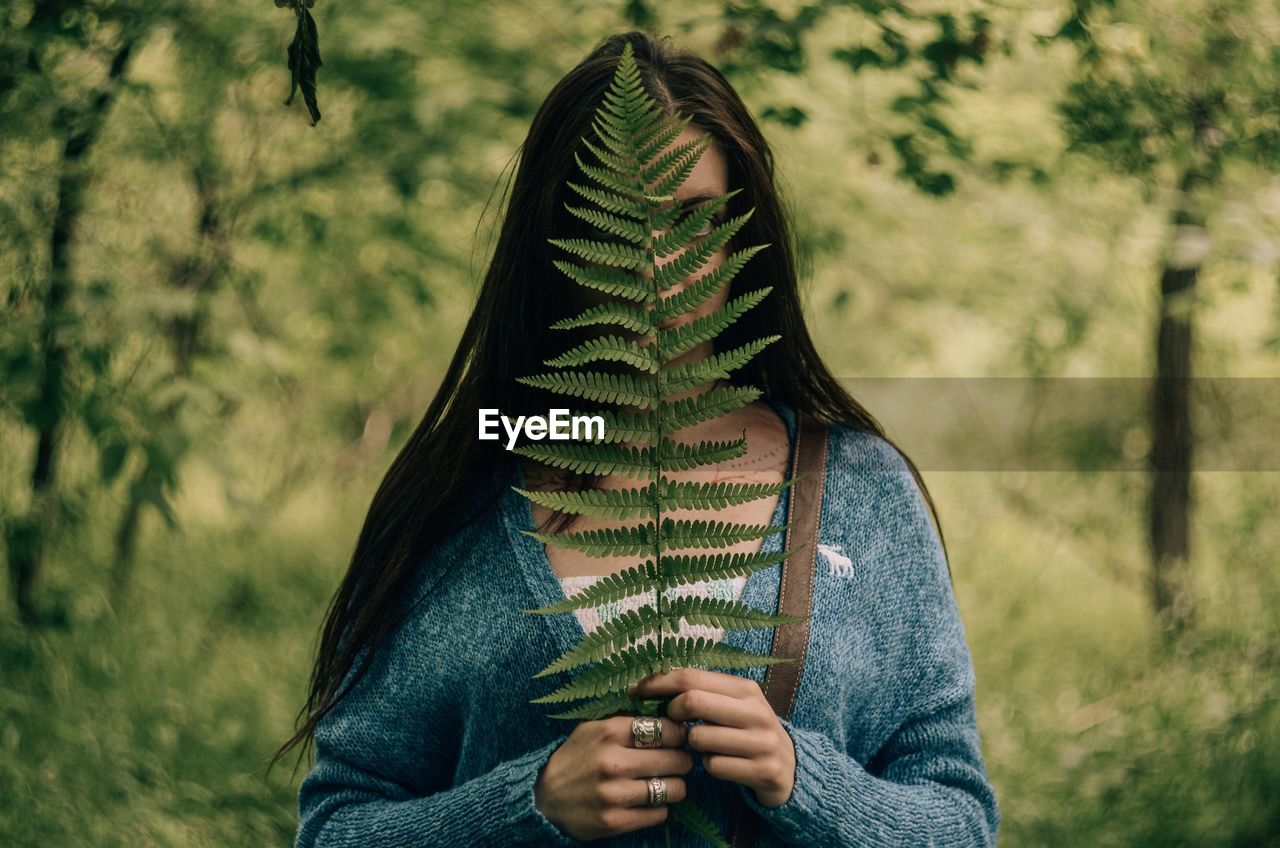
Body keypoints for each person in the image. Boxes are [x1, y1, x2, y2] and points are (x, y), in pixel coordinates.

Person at [275, 30, 1000, 847]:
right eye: (621, 223)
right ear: (557, 237)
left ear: (741, 235)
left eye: (695, 220)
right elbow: (336, 826)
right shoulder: (467, 491)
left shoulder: (864, 492)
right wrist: (530, 804)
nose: (660, 264)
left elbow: (961, 822)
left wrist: (804, 779)